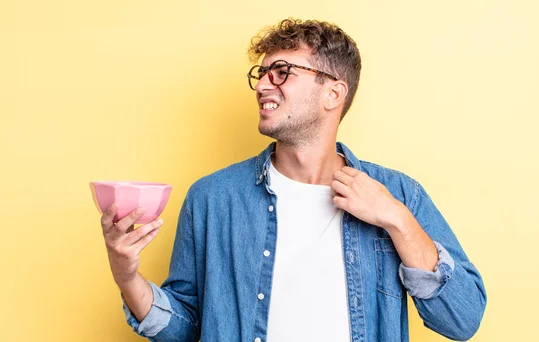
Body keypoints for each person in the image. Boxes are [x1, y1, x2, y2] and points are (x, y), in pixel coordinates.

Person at [100, 18, 487, 342]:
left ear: (333, 93)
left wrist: (398, 221)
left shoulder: (399, 194)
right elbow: (184, 327)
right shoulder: (212, 199)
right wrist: (128, 277)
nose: (264, 85)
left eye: (282, 72)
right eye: (262, 73)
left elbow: (462, 319)